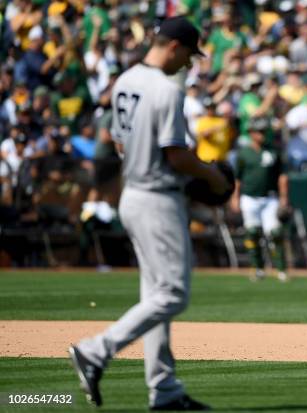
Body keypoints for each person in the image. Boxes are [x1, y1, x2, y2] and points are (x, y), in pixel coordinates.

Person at [68, 16, 230, 411]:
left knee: (156, 294)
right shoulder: (165, 89)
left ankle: (165, 390)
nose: (189, 64)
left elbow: (121, 144)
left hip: (133, 193)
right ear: (174, 46)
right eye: (189, 55)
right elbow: (176, 154)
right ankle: (96, 350)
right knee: (173, 294)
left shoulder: (124, 80)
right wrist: (213, 178)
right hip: (157, 197)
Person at [230, 117, 289, 281]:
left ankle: (281, 269)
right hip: (249, 197)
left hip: (270, 197)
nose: (262, 134)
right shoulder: (244, 153)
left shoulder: (274, 150)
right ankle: (257, 268)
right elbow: (237, 178)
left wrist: (284, 197)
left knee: (275, 232)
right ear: (251, 133)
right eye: (259, 131)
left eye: (264, 131)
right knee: (252, 233)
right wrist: (235, 198)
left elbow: (282, 176)